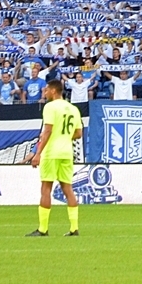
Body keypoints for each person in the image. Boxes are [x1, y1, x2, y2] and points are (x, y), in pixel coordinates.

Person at [25, 78, 83, 237]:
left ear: (53, 90)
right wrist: (64, 137)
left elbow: (48, 131)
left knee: (46, 188)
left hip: (51, 153)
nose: (44, 92)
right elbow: (78, 133)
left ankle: (43, 229)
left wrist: (37, 153)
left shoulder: (50, 107)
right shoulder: (73, 109)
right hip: (67, 153)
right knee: (68, 189)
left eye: (46, 90)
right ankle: (74, 228)